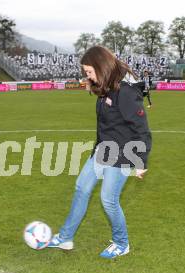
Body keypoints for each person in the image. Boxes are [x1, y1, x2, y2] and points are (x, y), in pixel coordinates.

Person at [48, 46, 152, 259]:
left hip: (123, 154)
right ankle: (66, 237)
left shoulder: (125, 92)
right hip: (102, 150)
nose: (87, 76)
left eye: (89, 72)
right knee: (81, 188)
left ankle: (122, 243)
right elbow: (105, 124)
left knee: (108, 199)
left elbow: (142, 130)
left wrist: (141, 162)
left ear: (101, 67)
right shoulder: (107, 85)